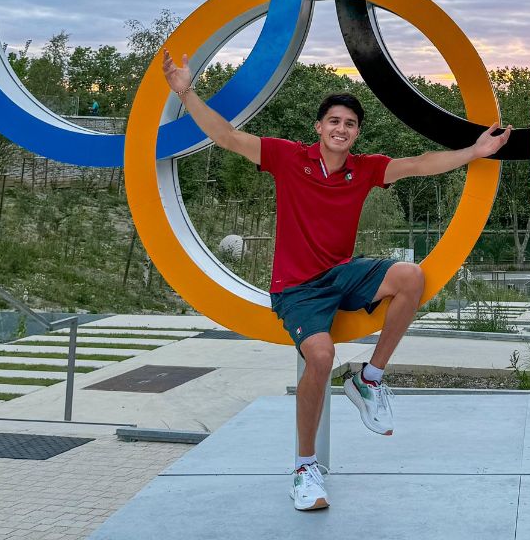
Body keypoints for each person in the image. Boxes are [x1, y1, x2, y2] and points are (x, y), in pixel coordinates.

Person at [162, 50, 511, 511]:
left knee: (410, 276)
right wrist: (185, 91)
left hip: (340, 275)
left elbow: (419, 163)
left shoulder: (363, 169)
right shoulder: (287, 158)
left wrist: (474, 151)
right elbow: (225, 135)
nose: (341, 129)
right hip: (297, 288)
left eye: (349, 123)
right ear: (319, 127)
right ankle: (306, 469)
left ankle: (370, 378)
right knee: (321, 358)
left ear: (356, 133)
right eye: (333, 121)